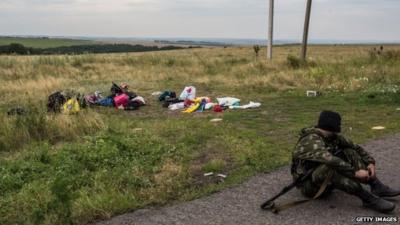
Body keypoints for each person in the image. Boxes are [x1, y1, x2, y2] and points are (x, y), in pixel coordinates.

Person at [291, 110, 400, 213]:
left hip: (323, 180)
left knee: (349, 151)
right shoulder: (310, 141)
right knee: (330, 166)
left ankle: (375, 185)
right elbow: (330, 160)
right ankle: (367, 199)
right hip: (310, 187)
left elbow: (356, 147)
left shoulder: (331, 136)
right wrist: (354, 173)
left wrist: (370, 162)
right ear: (332, 127)